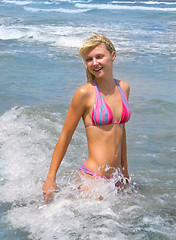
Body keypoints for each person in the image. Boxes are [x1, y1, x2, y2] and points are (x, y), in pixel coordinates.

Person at [42, 33, 131, 203]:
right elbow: (65, 136)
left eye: (99, 56)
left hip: (116, 179)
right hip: (92, 179)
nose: (94, 63)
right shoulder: (85, 93)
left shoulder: (124, 88)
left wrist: (125, 172)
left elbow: (121, 132)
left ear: (112, 56)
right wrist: (50, 179)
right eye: (89, 59)